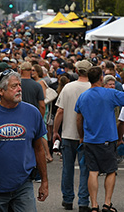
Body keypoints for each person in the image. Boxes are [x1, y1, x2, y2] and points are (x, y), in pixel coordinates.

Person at [0, 70, 48, 212]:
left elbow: (38, 149)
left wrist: (44, 181)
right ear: (0, 91)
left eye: (19, 85)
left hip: (23, 185)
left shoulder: (32, 113)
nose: (19, 89)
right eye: (14, 86)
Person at [75, 66, 124, 212]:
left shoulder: (83, 96)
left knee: (93, 171)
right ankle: (107, 203)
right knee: (110, 171)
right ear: (101, 78)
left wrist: (81, 136)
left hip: (90, 139)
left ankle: (94, 205)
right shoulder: (109, 93)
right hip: (107, 138)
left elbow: (78, 119)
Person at [53, 60, 92, 212]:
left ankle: (67, 199)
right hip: (87, 135)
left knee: (67, 168)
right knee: (85, 169)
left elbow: (60, 111)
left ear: (76, 70)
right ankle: (83, 202)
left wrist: (55, 131)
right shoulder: (92, 87)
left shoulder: (68, 87)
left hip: (68, 133)